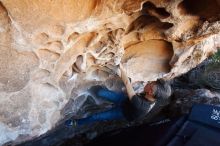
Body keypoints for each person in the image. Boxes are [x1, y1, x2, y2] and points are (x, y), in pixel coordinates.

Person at [65, 64, 172, 127]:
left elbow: (126, 82)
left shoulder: (140, 105)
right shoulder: (155, 96)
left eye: (151, 84)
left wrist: (119, 65)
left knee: (96, 116)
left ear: (150, 92)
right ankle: (110, 103)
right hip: (125, 101)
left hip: (123, 112)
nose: (149, 82)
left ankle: (77, 123)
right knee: (100, 92)